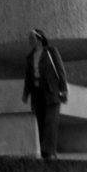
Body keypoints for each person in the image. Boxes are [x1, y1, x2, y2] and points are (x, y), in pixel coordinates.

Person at [22, 28, 68, 158]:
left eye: (32, 38)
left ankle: (49, 152)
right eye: (29, 39)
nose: (30, 41)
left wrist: (63, 89)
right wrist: (26, 94)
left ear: (40, 39)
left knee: (50, 123)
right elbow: (28, 78)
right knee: (41, 123)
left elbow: (60, 71)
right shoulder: (29, 57)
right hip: (37, 93)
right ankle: (45, 155)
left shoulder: (51, 51)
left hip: (52, 92)